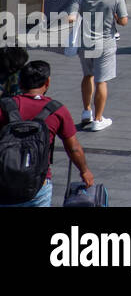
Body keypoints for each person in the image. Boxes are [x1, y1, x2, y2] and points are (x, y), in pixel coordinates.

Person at [0, 61, 93, 207]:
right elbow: (73, 148)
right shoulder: (57, 110)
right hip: (39, 183)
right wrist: (84, 171)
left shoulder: (4, 107)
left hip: (4, 181)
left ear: (20, 82)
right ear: (47, 82)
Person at [66, 0, 128, 131]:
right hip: (106, 44)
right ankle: (98, 119)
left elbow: (71, 17)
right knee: (101, 81)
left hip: (85, 43)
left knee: (88, 76)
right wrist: (114, 15)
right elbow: (123, 21)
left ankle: (86, 111)